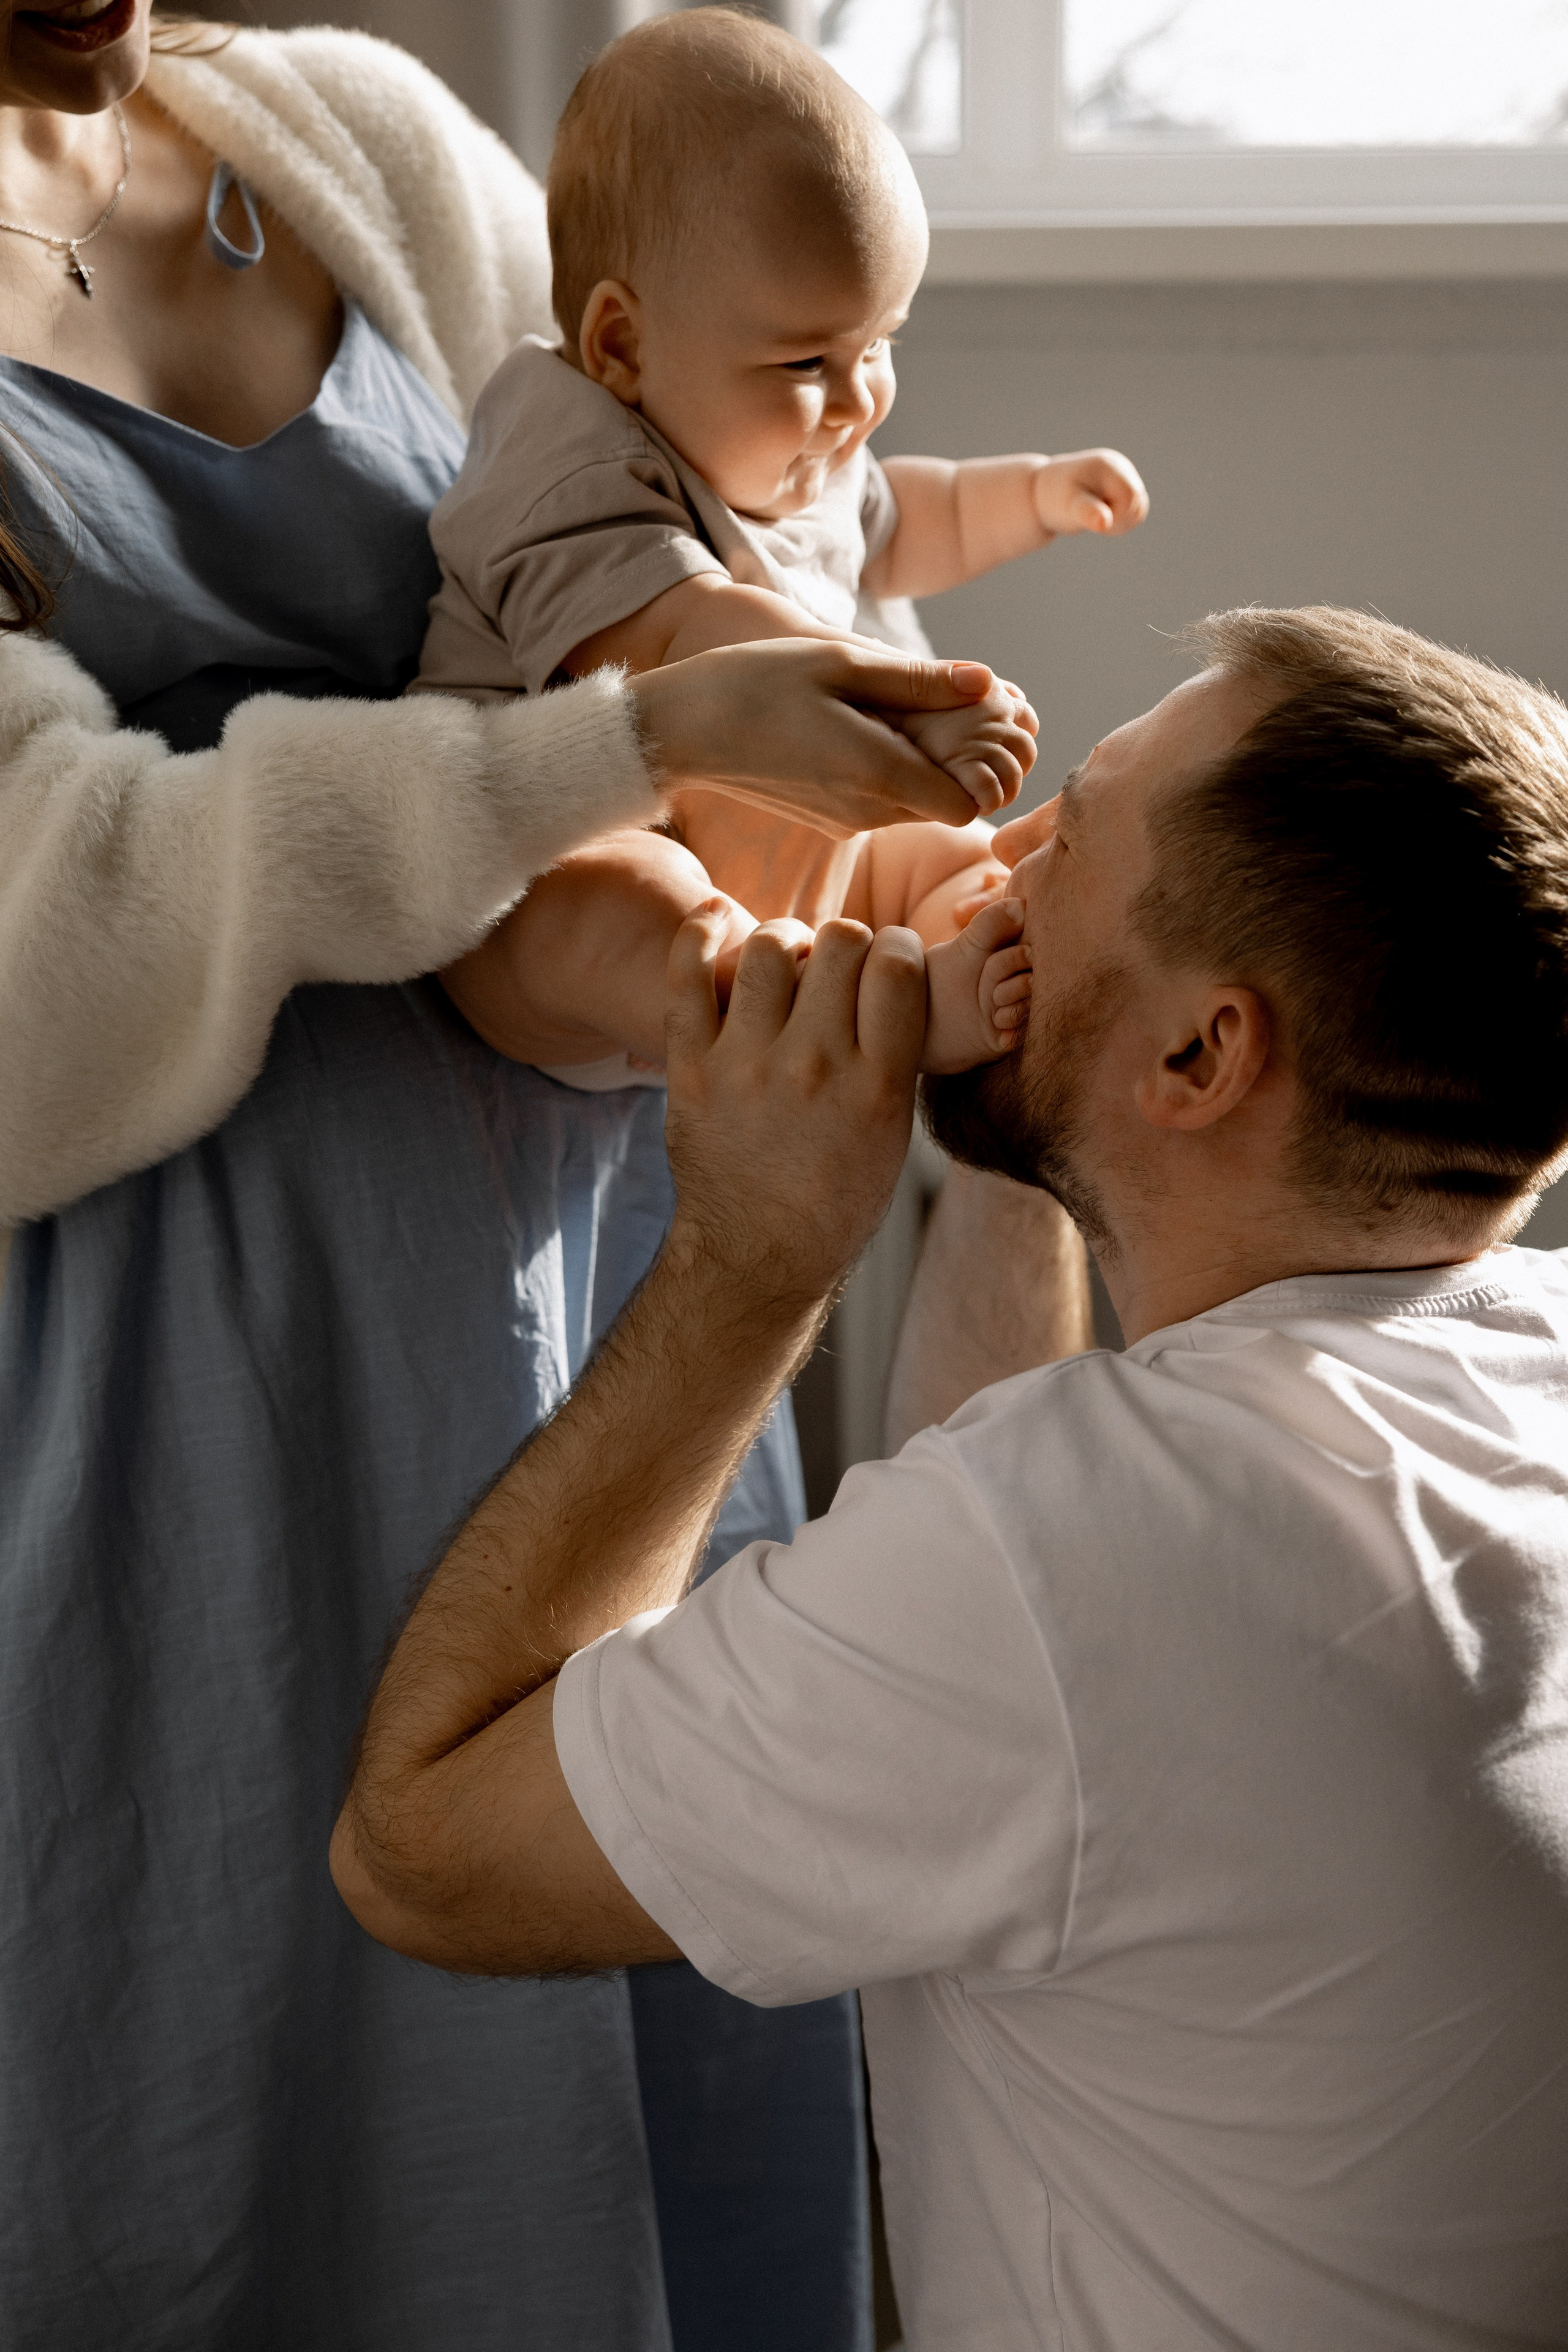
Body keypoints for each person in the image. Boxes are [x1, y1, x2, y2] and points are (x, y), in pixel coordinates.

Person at [0, 9, 1072, 2345]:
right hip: (186, 1424)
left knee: (665, 2033)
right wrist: (627, 743)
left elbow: (725, 507)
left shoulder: (349, 140)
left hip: (617, 1320)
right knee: (273, 2123)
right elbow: (30, 952)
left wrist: (889, 801)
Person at [336, 605, 1568, 2350]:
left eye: (1070, 832)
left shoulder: (1071, 1555)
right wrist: (1037, 1132)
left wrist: (758, 1257)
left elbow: (422, 1855)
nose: (998, 851)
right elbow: (1033, 1614)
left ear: (1199, 1058)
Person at [420, 8, 1144, 1087]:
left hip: (782, 834)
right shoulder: (565, 457)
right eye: (808, 361)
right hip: (563, 842)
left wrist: (1033, 494)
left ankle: (947, 958)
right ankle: (808, 1009)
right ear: (622, 343)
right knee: (622, 908)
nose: (858, 401)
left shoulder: (798, 450)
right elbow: (685, 636)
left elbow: (907, 521)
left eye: (879, 344)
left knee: (937, 855)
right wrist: (894, 704)